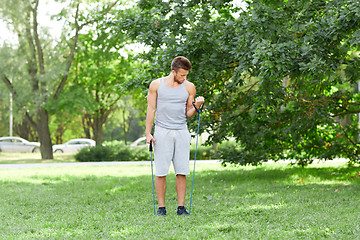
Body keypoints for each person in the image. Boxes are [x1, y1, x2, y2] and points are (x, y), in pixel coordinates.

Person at [146, 56, 205, 216]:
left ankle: (181, 208)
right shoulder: (156, 85)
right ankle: (161, 208)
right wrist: (148, 133)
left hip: (181, 131)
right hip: (162, 131)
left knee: (182, 170)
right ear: (173, 72)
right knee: (161, 171)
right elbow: (151, 109)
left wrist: (197, 106)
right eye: (182, 75)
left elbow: (189, 113)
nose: (184, 78)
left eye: (186, 75)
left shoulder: (189, 87)